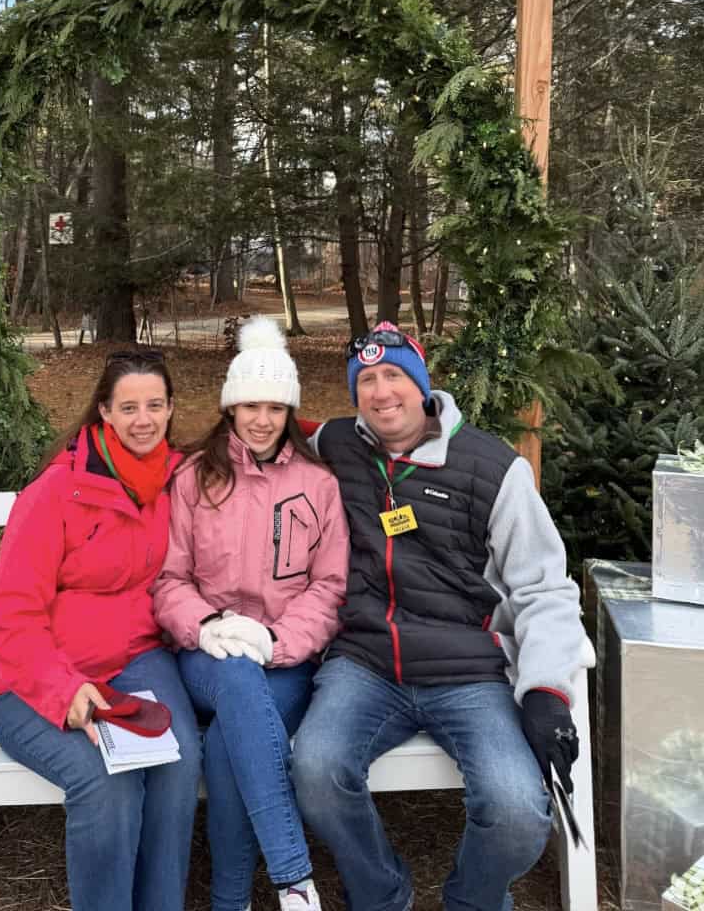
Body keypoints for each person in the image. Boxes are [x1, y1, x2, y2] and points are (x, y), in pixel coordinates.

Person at [290, 321, 586, 911]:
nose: (381, 393)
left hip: (467, 670)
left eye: (394, 376)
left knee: (516, 811)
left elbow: (544, 586)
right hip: (366, 662)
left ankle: (472, 902)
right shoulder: (338, 446)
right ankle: (380, 895)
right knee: (316, 770)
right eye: (366, 381)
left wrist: (547, 690)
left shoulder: (492, 467)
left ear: (422, 384)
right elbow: (265, 430)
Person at [0, 348, 201, 911]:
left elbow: (256, 438)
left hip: (136, 659)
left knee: (178, 758)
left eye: (155, 405)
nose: (143, 419)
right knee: (108, 784)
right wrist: (62, 691)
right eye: (128, 407)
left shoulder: (174, 479)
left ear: (172, 408)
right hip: (35, 679)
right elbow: (11, 617)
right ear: (103, 411)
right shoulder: (56, 492)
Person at [154, 316, 350, 911]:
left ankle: (230, 900)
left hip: (284, 659)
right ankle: (293, 876)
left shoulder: (318, 485)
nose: (261, 420)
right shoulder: (193, 478)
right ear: (229, 409)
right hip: (206, 655)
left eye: (274, 407)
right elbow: (168, 578)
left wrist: (276, 639)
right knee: (236, 678)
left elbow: (330, 585)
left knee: (226, 749)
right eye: (249, 406)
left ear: (290, 411)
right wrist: (208, 626)